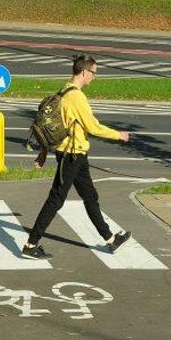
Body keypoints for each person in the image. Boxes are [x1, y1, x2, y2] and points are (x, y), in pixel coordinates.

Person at [22, 55, 132, 260]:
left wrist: (43, 152)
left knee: (90, 196)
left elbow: (55, 126)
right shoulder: (76, 97)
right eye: (94, 73)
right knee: (55, 199)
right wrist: (119, 135)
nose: (94, 77)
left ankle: (110, 239)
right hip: (71, 156)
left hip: (76, 154)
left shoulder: (64, 90)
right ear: (84, 71)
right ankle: (30, 245)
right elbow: (93, 126)